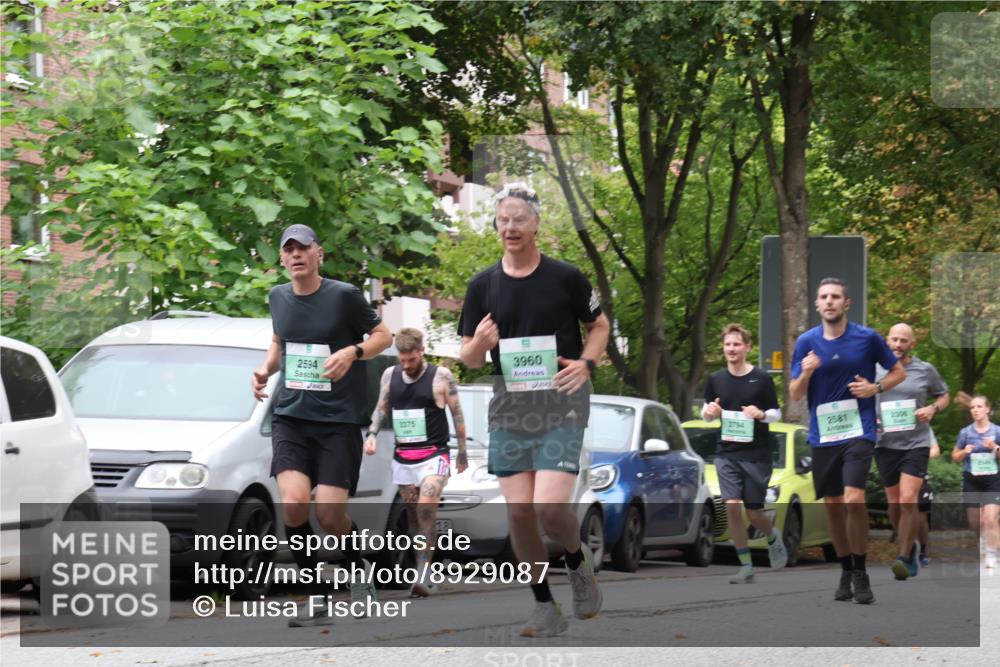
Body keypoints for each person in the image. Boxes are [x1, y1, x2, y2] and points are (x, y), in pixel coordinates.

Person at [458, 182, 611, 637]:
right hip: (509, 408)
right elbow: (467, 356)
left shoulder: (565, 277)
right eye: (503, 219)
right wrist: (478, 346)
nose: (510, 227)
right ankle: (545, 605)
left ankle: (576, 560)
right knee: (520, 513)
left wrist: (586, 363)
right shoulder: (482, 285)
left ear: (536, 223)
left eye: (519, 219)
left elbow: (599, 325)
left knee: (549, 505)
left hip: (562, 401)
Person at [251, 223, 393, 627]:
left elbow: (385, 335)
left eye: (303, 248)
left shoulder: (344, 297)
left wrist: (353, 351)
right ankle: (317, 596)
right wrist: (264, 370)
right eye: (288, 249)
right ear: (281, 258)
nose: (295, 255)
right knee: (294, 504)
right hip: (291, 417)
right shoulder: (278, 296)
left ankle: (360, 571)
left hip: (338, 422)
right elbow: (280, 342)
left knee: (331, 517)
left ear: (319, 254)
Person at [789, 278, 905, 604]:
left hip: (860, 429)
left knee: (854, 498)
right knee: (834, 506)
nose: (829, 302)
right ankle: (845, 569)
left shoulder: (866, 338)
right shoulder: (806, 342)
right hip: (823, 435)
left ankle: (861, 570)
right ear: (817, 304)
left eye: (835, 296)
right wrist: (807, 373)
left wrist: (875, 389)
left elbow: (898, 372)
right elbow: (795, 393)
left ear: (846, 303)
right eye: (823, 297)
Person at [363, 327, 469, 597]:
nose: (407, 365)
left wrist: (462, 451)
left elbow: (457, 413)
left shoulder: (440, 376)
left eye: (412, 359)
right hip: (404, 457)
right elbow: (381, 407)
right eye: (403, 360)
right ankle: (427, 567)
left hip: (434, 454)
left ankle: (422, 573)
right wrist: (372, 435)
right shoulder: (391, 375)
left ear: (421, 351)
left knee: (425, 507)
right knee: (413, 516)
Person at [701, 323, 787, 583]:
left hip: (756, 455)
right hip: (726, 452)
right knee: (731, 507)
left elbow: (776, 413)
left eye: (736, 344)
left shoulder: (761, 378)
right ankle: (746, 566)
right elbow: (706, 413)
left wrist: (760, 414)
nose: (731, 349)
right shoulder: (716, 379)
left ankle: (772, 537)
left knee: (754, 513)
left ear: (747, 348)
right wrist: (709, 413)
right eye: (727, 344)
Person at [874, 323, 949, 580]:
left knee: (908, 499)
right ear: (887, 341)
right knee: (894, 504)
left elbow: (943, 395)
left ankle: (904, 557)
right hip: (884, 444)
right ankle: (911, 544)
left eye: (903, 340)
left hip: (916, 443)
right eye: (894, 339)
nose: (898, 344)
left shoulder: (924, 370)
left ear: (911, 344)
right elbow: (862, 397)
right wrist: (870, 420)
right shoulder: (875, 369)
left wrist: (932, 409)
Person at [950, 395, 1000, 569]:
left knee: (990, 518)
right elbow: (955, 456)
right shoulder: (965, 432)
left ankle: (992, 553)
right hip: (971, 479)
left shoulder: (997, 431)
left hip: (993, 480)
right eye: (972, 407)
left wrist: (995, 447)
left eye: (979, 407)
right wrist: (964, 452)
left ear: (987, 409)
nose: (975, 410)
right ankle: (986, 541)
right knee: (976, 522)